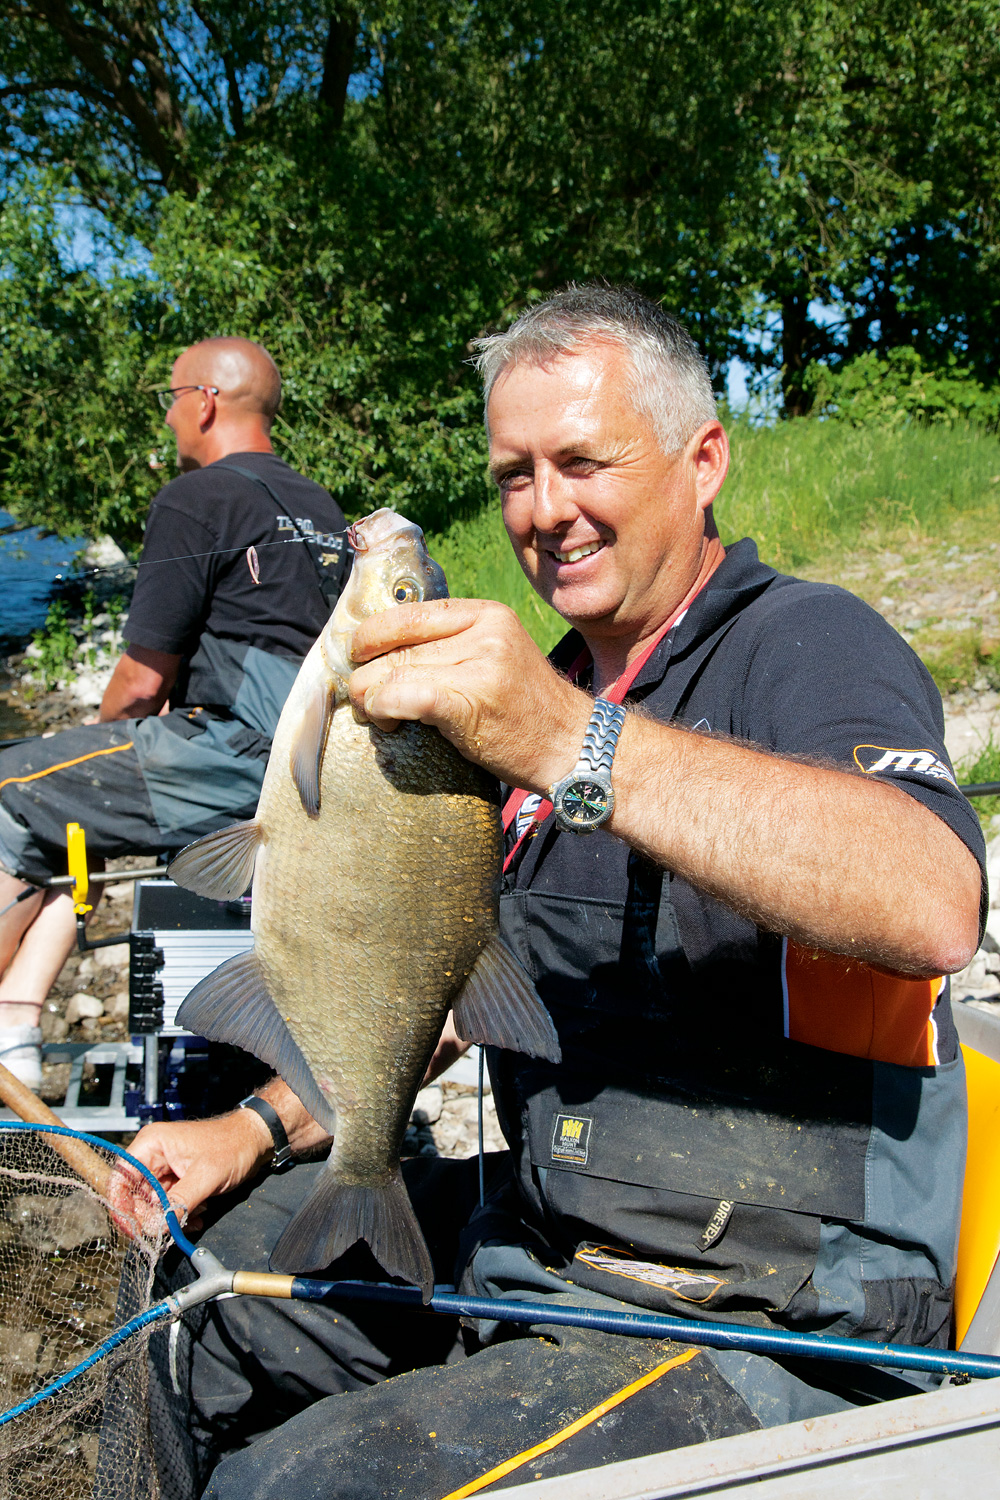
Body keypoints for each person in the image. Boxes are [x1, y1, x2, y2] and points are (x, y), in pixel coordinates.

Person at [118, 289, 984, 1499]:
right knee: (190, 1314)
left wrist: (573, 742)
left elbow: (933, 896)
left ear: (703, 460)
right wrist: (251, 1130)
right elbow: (426, 979)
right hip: (535, 1244)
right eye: (514, 473)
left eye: (584, 461)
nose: (546, 510)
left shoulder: (806, 643)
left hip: (767, 1313)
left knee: (299, 1488)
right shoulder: (529, 699)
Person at [0, 337, 348, 1088]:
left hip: (233, 751)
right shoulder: (319, 506)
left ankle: (12, 1022)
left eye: (170, 398)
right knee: (69, 807)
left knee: (12, 790)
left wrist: (88, 748)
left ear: (205, 400)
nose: (166, 418)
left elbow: (140, 680)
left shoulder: (196, 498)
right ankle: (17, 1022)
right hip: (310, 764)